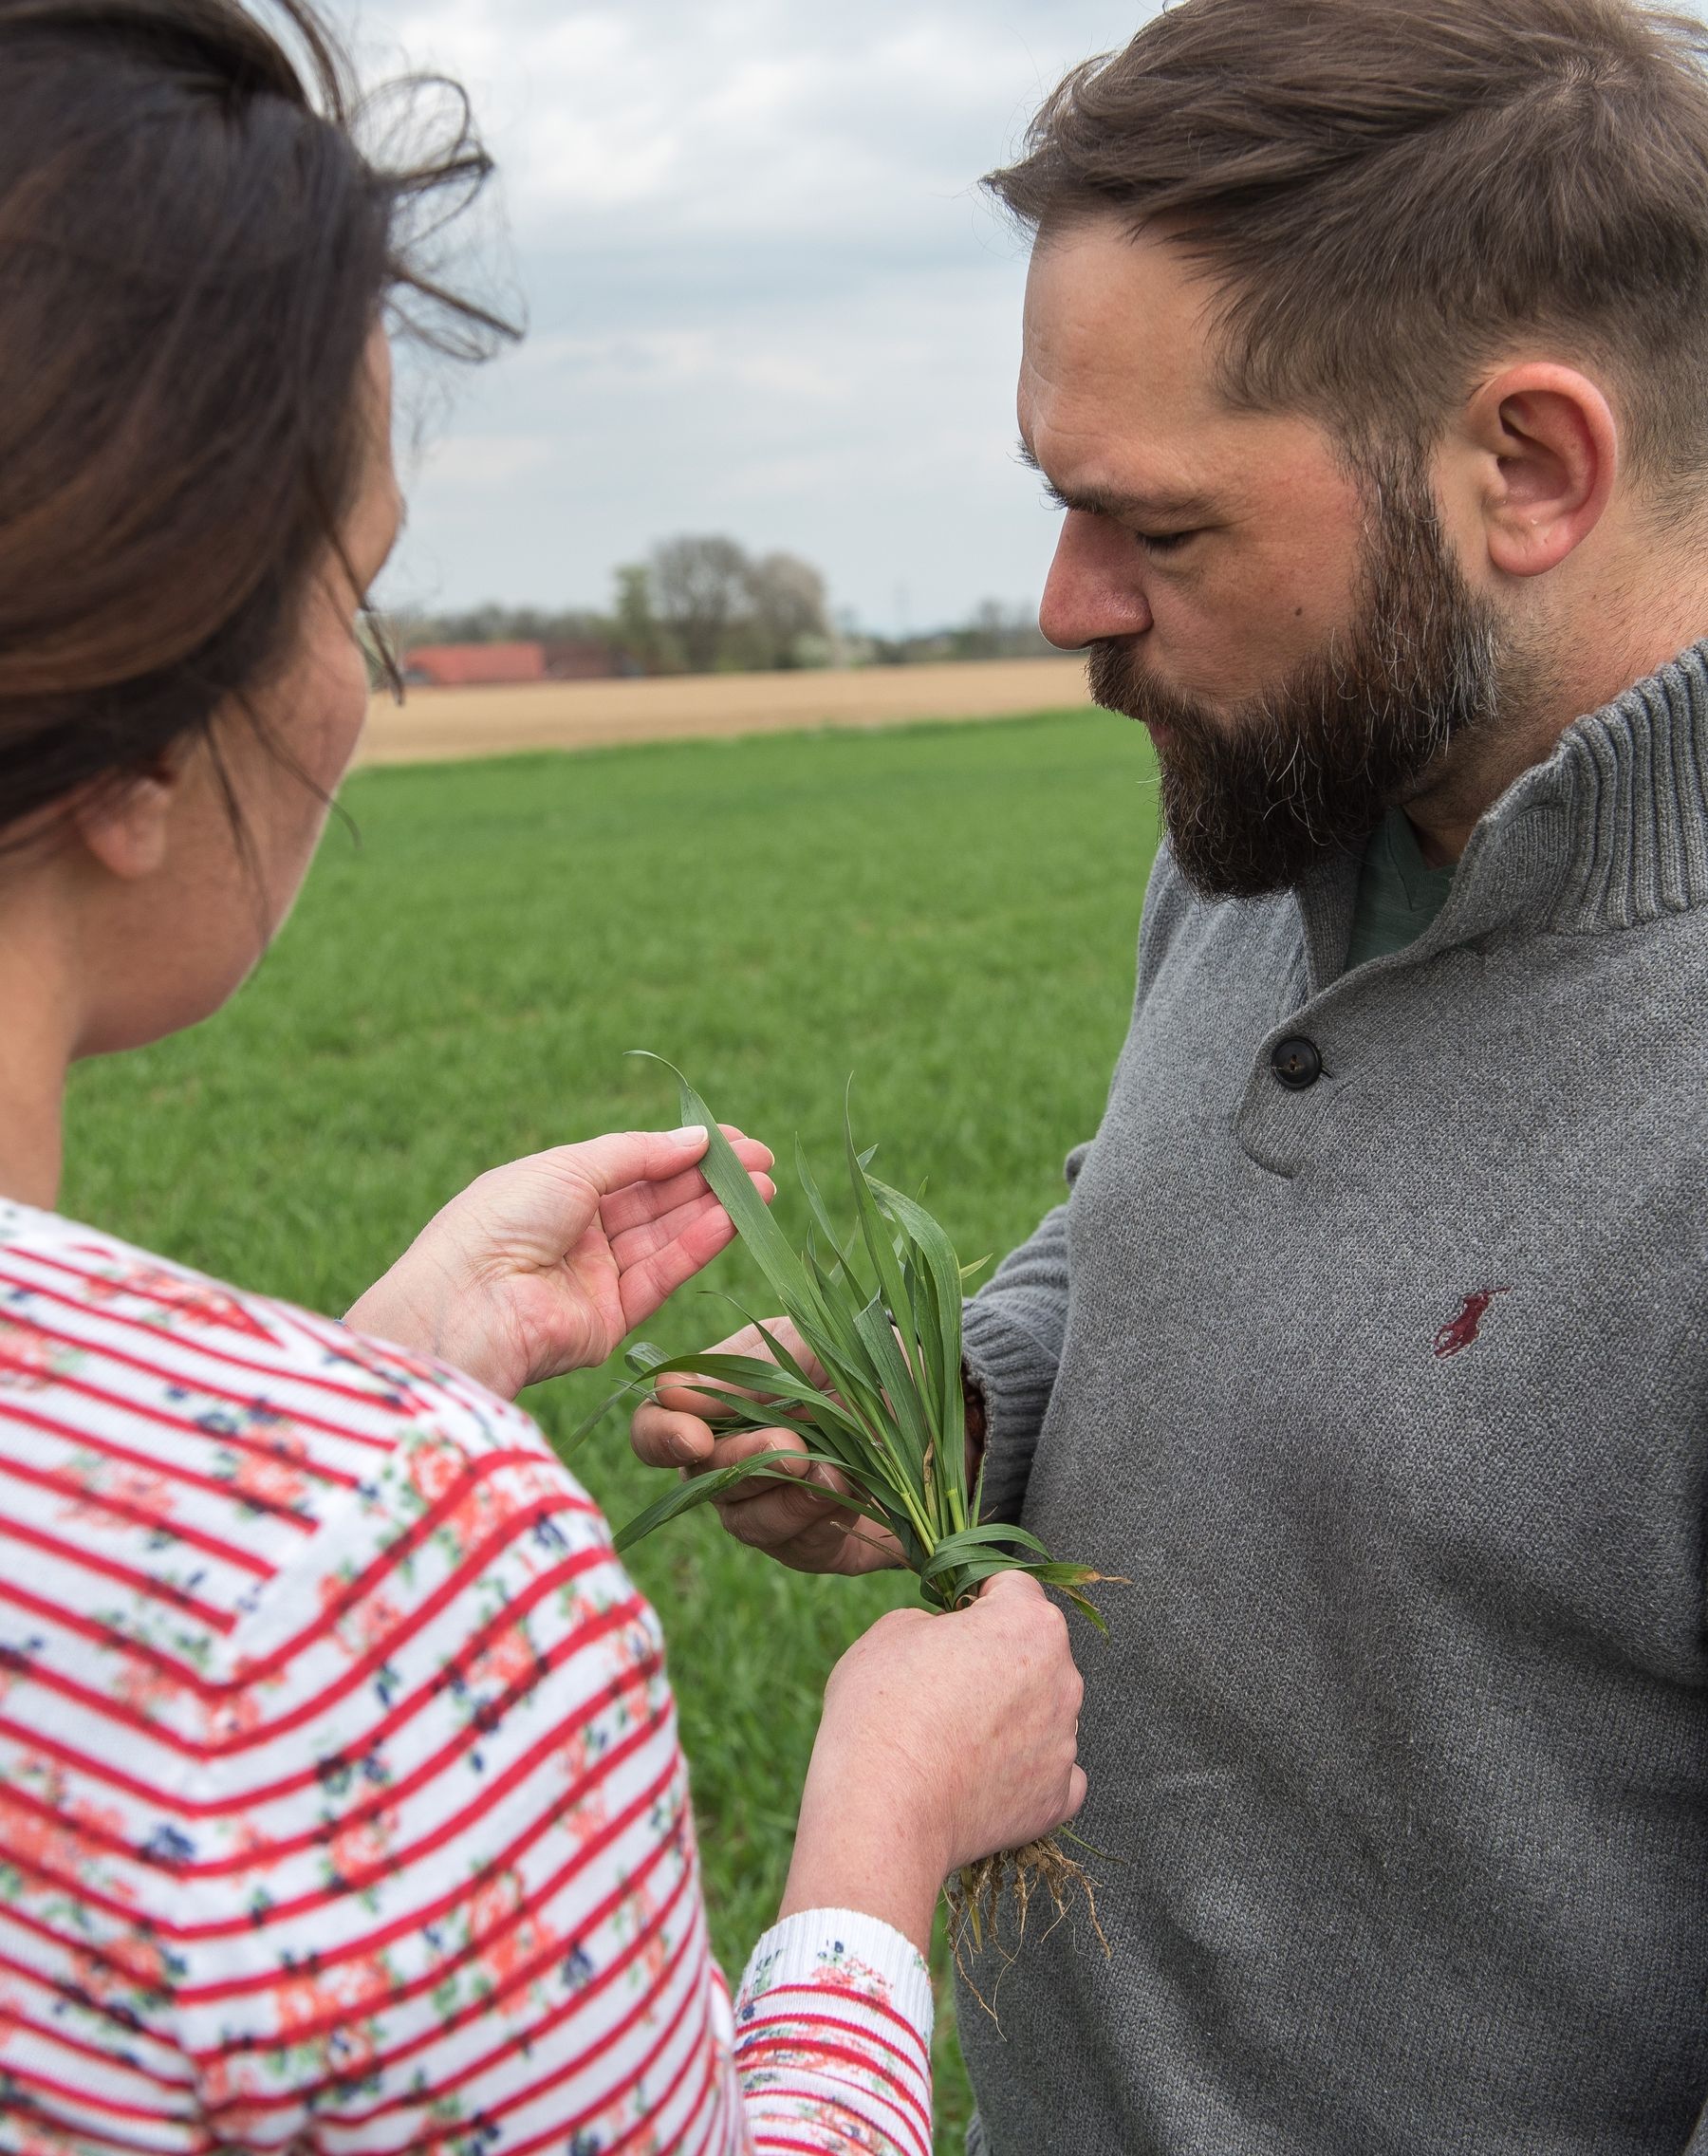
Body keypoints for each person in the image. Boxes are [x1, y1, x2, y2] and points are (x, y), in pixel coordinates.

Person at [0, 4, 1087, 2151]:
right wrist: (876, 1836)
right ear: (140, 729)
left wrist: (365, 1375)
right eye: (359, 596)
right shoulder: (390, 1578)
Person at [631, 0, 1708, 2147]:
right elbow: (1144, 1236)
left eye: (1164, 530)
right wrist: (963, 1397)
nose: (1063, 603)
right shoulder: (1275, 812)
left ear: (1530, 469)